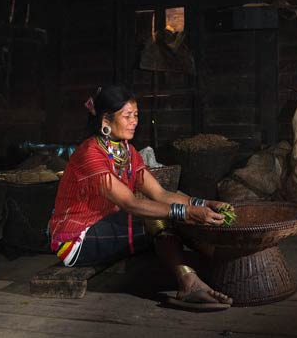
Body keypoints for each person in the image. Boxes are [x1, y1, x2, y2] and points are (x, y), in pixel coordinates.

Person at [48, 84, 233, 310]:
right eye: (127, 116)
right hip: (76, 240)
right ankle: (191, 283)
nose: (134, 121)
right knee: (159, 218)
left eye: (136, 115)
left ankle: (217, 270)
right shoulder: (90, 154)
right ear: (106, 120)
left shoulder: (127, 151)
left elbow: (160, 193)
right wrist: (186, 212)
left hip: (105, 226)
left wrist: (203, 204)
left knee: (171, 215)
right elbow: (131, 203)